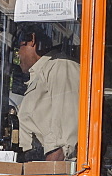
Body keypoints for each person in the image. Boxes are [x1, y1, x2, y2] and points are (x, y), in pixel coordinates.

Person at [14, 23, 80, 162]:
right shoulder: (39, 74)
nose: (18, 54)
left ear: (32, 40)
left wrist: (47, 174)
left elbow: (65, 138)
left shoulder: (60, 67)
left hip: (51, 170)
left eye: (18, 47)